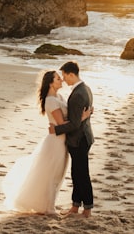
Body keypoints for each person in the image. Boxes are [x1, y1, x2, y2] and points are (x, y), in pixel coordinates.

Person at [2, 70, 90, 216]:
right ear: (50, 82)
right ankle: (49, 208)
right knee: (52, 175)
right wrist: (82, 117)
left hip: (62, 141)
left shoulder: (59, 96)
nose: (61, 80)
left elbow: (65, 121)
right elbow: (62, 123)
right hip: (55, 142)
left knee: (57, 174)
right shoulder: (51, 100)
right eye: (57, 78)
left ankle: (49, 205)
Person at [51, 61, 95, 217]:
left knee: (81, 174)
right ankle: (76, 206)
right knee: (77, 172)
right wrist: (83, 118)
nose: (63, 79)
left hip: (79, 139)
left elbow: (75, 124)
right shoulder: (86, 89)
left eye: (64, 75)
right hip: (85, 137)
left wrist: (56, 129)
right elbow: (88, 112)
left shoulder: (77, 94)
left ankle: (87, 208)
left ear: (71, 74)